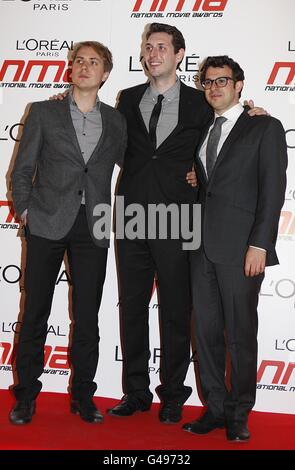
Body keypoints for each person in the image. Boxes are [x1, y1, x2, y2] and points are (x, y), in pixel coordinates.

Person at [107, 24, 264, 424]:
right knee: (131, 308)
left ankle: (173, 394)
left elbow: (229, 129)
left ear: (179, 55)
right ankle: (136, 391)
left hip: (181, 218)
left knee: (177, 310)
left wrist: (255, 111)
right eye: (148, 46)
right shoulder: (126, 98)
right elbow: (113, 142)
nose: (153, 52)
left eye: (162, 47)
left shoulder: (200, 101)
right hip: (131, 215)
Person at [9, 41, 127, 425]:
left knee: (88, 316)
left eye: (94, 62)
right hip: (46, 221)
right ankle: (26, 396)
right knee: (35, 312)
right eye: (79, 60)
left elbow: (143, 164)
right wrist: (26, 210)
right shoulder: (44, 112)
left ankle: (83, 397)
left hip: (92, 226)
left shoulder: (116, 121)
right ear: (70, 68)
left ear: (105, 73)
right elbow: (22, 169)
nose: (85, 66)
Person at [182, 56, 287, 441]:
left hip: (242, 249)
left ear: (239, 84)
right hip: (201, 248)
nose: (214, 87)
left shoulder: (265, 127)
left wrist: (260, 243)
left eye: (222, 80)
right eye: (207, 81)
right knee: (205, 332)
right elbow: (211, 183)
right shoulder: (205, 130)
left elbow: (272, 190)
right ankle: (214, 407)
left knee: (240, 334)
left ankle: (240, 412)